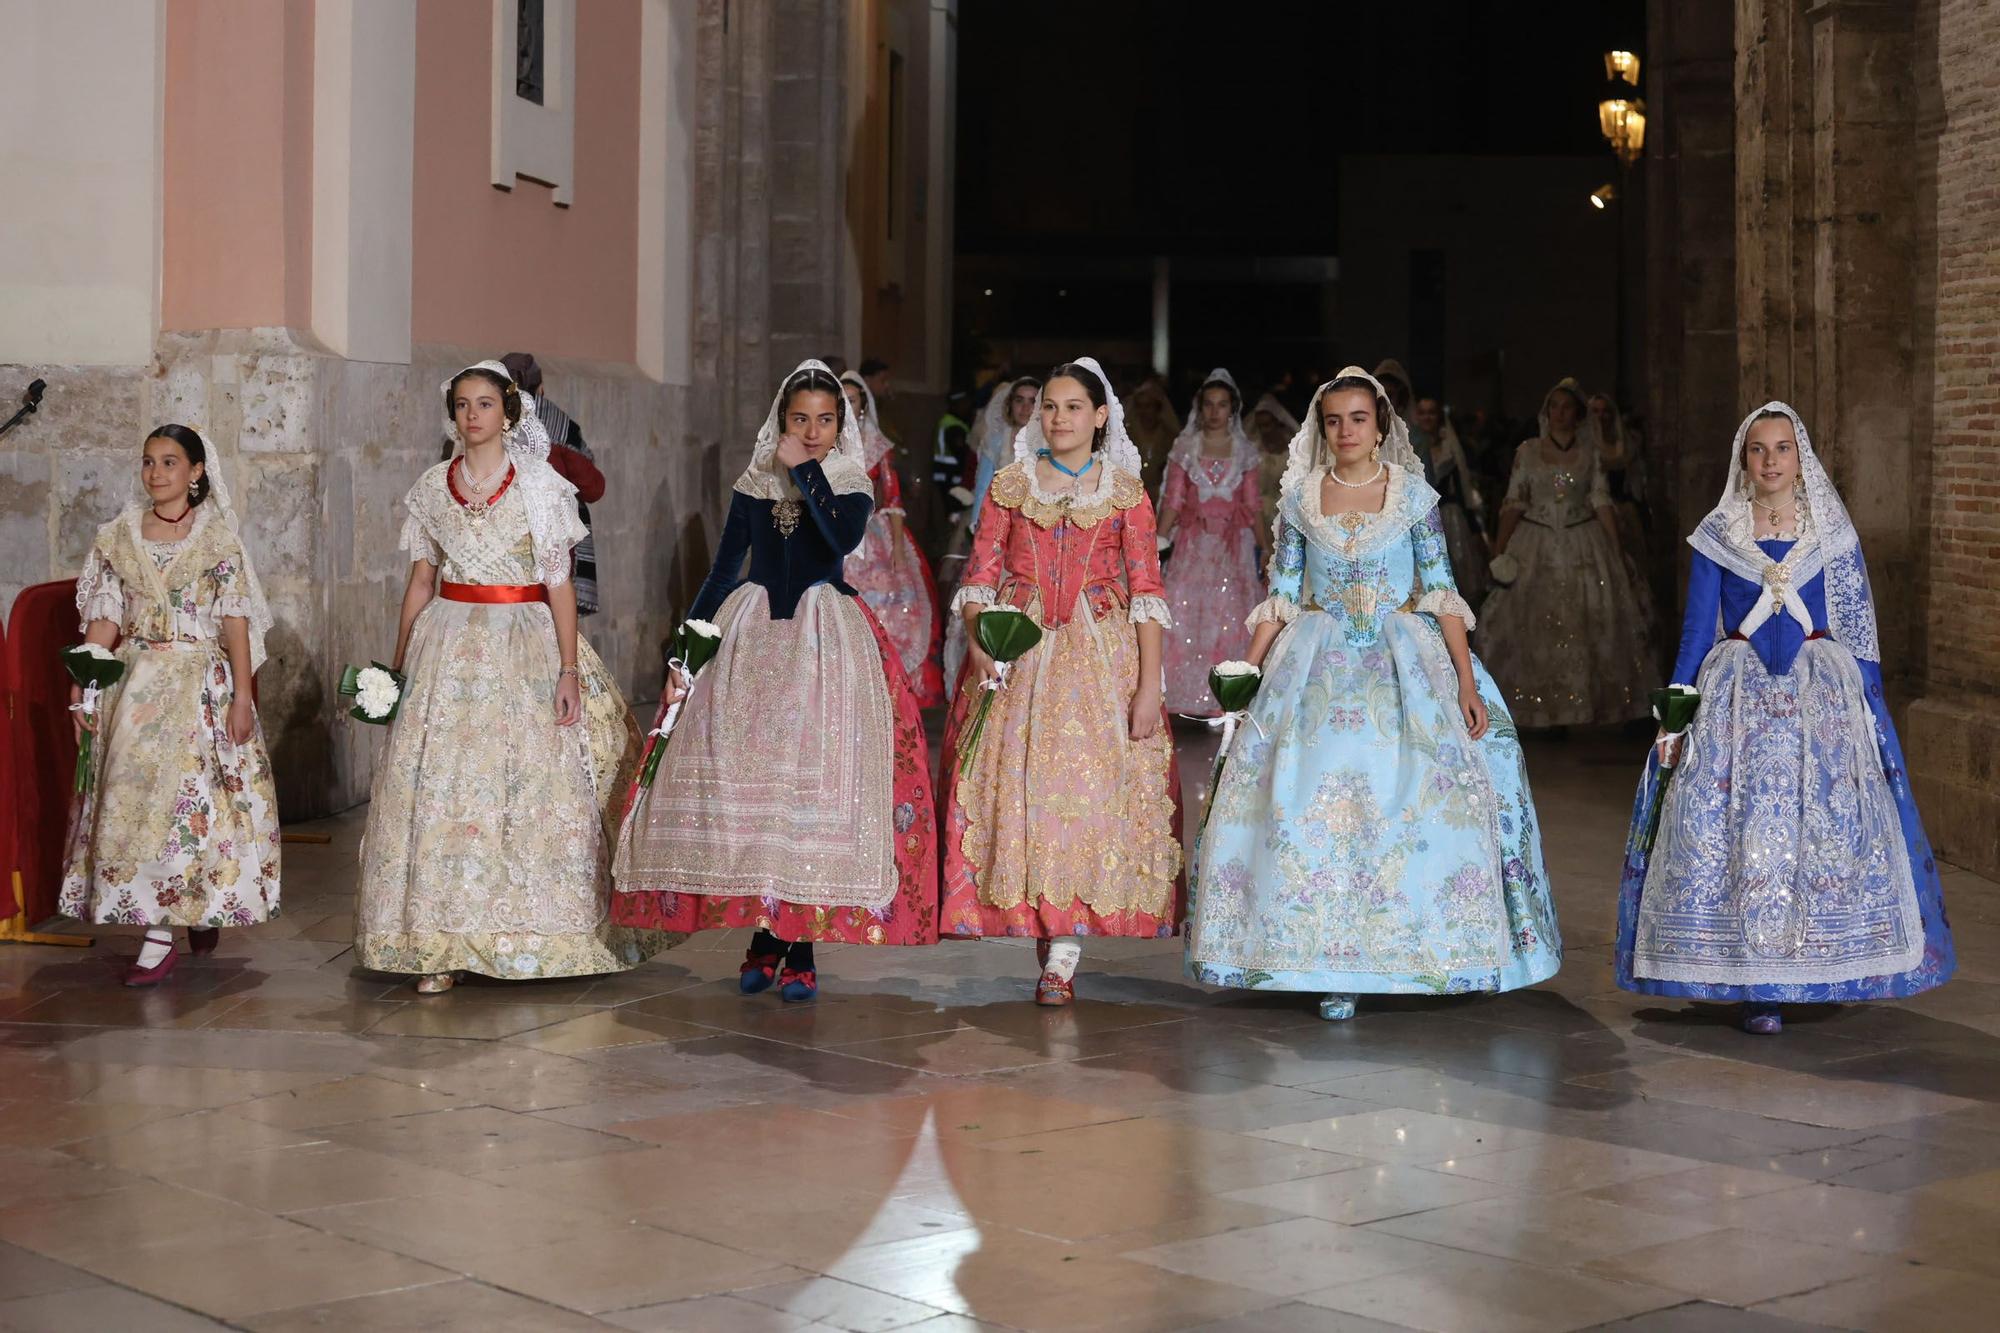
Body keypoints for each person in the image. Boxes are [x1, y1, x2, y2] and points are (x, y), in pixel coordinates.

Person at [1185, 369, 1561, 1021]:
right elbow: (1284, 592)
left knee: (1417, 800)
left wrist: (1467, 683)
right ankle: (1331, 961)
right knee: (1314, 799)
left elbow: (1441, 590)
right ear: (1321, 427)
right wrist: (1246, 670)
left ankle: (1422, 952)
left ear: (1380, 425)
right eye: (1333, 420)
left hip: (1403, 661)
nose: (1346, 431)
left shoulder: (1413, 497)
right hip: (1319, 662)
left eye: (1358, 418)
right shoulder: (1302, 498)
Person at [1616, 403, 1954, 1034]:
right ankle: (1755, 983)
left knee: (1820, 830)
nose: (1769, 461)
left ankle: (1817, 962)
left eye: (1782, 449)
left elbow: (1857, 630)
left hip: (1818, 699)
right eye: (1757, 450)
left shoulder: (1832, 534)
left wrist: (1875, 714)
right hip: (1735, 702)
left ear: (1802, 460)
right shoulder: (1718, 533)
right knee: (1739, 835)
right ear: (1742, 460)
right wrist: (1676, 712)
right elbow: (1695, 632)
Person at [610, 361, 938, 1002]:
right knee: (751, 789)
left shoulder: (847, 478)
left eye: (824, 420)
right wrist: (688, 649)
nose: (811, 431)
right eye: (799, 420)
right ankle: (765, 936)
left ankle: (802, 942)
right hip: (752, 637)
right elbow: (725, 568)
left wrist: (805, 470)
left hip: (824, 641)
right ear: (781, 420)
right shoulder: (754, 481)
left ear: (840, 426)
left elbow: (840, 535)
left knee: (804, 796)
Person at [356, 361, 668, 993]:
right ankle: (435, 942)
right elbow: (420, 580)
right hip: (446, 642)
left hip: (522, 639)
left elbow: (558, 581)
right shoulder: (430, 488)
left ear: (509, 413)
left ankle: (530, 936)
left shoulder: (541, 487)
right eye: (464, 405)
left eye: (486, 404)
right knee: (442, 790)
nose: (473, 415)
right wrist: (397, 663)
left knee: (525, 785)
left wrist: (569, 668)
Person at [938, 358, 1183, 1005]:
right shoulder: (1013, 486)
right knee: (1028, 795)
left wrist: (1150, 684)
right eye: (1050, 406)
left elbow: (1147, 591)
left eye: (1074, 407)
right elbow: (981, 575)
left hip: (1100, 659)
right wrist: (980, 638)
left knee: (1088, 794)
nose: (1060, 418)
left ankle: (1066, 949)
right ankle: (1047, 934)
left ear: (1101, 416)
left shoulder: (1126, 493)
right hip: (1022, 656)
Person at [61, 425, 281, 986]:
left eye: (169, 463)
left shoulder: (217, 541)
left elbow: (235, 622)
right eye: (148, 463)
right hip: (135, 685)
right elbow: (106, 617)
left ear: (197, 472)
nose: (156, 474)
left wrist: (241, 696)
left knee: (190, 806)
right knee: (132, 803)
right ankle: (174, 914)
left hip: (197, 686)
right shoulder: (118, 537)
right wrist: (85, 679)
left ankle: (163, 934)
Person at [1478, 378, 1653, 729]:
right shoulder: (1527, 452)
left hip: (1582, 541)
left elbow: (1600, 499)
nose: (1560, 413)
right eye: (1554, 406)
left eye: (1567, 407)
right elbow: (1514, 501)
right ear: (1546, 412)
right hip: (1535, 540)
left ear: (1578, 414)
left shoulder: (1591, 455)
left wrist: (1617, 552)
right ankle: (1532, 710)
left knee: (1587, 619)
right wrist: (1499, 551)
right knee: (1529, 621)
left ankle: (1581, 708)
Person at [1157, 369, 1266, 714]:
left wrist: (1268, 550)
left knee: (1227, 614)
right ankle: (1183, 694)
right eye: (1209, 404)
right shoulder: (1185, 447)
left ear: (1233, 409)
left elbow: (1252, 506)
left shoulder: (1245, 451)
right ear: (1200, 407)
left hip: (1231, 548)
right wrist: (1158, 543)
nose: (1215, 411)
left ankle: (1225, 695)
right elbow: (1174, 499)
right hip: (1193, 544)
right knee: (1186, 613)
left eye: (1222, 405)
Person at [840, 369, 946, 705]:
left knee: (886, 609)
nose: (846, 405)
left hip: (873, 533)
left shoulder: (877, 446)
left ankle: (883, 681)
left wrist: (898, 545)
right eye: (839, 400)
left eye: (852, 400)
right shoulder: (825, 443)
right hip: (837, 533)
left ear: (862, 406)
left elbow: (893, 497)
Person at [942, 374, 1042, 697]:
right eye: (1019, 400)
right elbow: (984, 486)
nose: (1025, 407)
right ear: (1009, 405)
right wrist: (978, 530)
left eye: (1032, 400)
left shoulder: (1045, 442)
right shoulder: (998, 440)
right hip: (998, 534)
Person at [502, 352, 606, 616]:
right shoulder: (562, 429)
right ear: (541, 388)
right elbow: (594, 487)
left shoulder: (486, 425)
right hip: (551, 552)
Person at [1410, 396, 1491, 609]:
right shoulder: (1408, 448)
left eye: (1432, 412)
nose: (1427, 417)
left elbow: (1463, 491)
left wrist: (1474, 529)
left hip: (1446, 515)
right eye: (1422, 412)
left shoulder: (1449, 449)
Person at [1122, 374, 1182, 498]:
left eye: (1148, 406)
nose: (1144, 411)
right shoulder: (1128, 434)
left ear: (1157, 408)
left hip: (1161, 495)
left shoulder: (1168, 435)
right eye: (1140, 406)